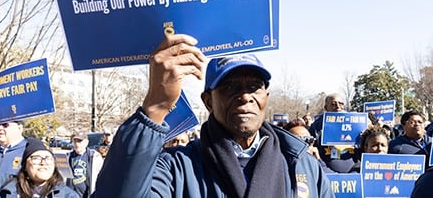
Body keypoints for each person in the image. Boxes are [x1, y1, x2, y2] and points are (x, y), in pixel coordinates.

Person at [94, 34, 333, 197]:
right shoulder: (177, 168)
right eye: (229, 87)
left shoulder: (303, 166)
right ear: (208, 101)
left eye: (254, 86)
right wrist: (155, 107)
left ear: (265, 98)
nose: (244, 96)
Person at [0, 137, 78, 197]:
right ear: (25, 166)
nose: (43, 162)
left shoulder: (68, 195)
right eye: (36, 158)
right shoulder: (7, 190)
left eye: (48, 158)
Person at [309, 93, 356, 173]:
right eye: (333, 104)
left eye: (341, 103)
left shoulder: (355, 122)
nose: (338, 106)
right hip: (327, 173)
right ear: (326, 108)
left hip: (354, 173)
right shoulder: (317, 126)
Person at [66, 131, 103, 198]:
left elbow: (101, 176)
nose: (77, 144)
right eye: (75, 141)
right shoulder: (68, 156)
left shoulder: (94, 157)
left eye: (79, 141)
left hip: (87, 194)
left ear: (86, 142)